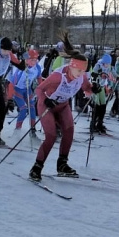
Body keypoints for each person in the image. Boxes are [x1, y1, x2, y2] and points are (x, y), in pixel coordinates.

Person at [29, 51, 94, 181]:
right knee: (51, 136)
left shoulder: (81, 76)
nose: (81, 74)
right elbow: (39, 89)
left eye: (83, 71)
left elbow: (87, 88)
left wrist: (94, 88)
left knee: (69, 131)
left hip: (63, 105)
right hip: (47, 105)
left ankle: (62, 164)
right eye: (79, 70)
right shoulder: (58, 76)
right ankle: (37, 167)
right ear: (71, 66)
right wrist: (46, 100)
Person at [10, 49, 41, 130]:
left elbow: (39, 79)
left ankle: (33, 129)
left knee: (32, 108)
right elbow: (12, 82)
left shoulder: (37, 67)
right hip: (17, 90)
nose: (34, 62)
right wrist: (9, 96)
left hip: (27, 90)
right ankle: (17, 130)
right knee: (23, 109)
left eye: (35, 60)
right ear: (27, 59)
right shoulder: (21, 67)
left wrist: (41, 90)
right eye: (32, 60)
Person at [89, 55, 112, 134]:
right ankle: (93, 124)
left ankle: (100, 123)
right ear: (103, 62)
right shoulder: (97, 66)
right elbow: (93, 76)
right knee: (97, 107)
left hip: (102, 88)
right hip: (96, 88)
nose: (108, 65)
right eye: (106, 63)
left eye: (108, 64)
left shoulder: (107, 67)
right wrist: (98, 76)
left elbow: (107, 76)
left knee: (103, 106)